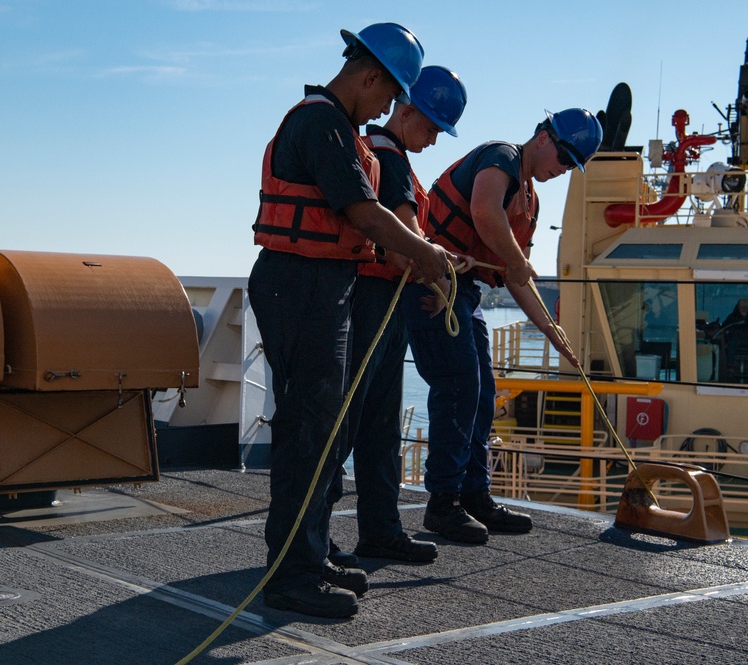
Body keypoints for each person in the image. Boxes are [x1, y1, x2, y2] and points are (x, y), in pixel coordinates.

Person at [249, 23, 459, 619]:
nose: (388, 108)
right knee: (309, 431)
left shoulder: (337, 126)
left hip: (322, 284)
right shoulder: (319, 122)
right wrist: (429, 255)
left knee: (326, 427)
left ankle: (310, 555)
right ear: (371, 77)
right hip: (299, 283)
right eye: (390, 96)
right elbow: (363, 213)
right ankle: (291, 575)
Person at [403, 108, 602, 544]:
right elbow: (484, 210)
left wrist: (555, 334)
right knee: (458, 384)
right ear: (543, 136)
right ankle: (443, 503)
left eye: (572, 165)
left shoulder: (531, 200)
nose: (563, 168)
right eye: (564, 157)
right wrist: (516, 260)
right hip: (429, 284)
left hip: (464, 292)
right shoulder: (500, 157)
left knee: (482, 391)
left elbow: (517, 278)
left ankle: (474, 495)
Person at [326, 66, 469, 567]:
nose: (432, 141)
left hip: (371, 297)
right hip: (374, 302)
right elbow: (405, 234)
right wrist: (439, 276)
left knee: (369, 421)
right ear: (406, 111)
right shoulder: (390, 158)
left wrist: (433, 271)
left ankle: (370, 530)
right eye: (430, 129)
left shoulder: (376, 152)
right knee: (361, 421)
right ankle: (340, 535)